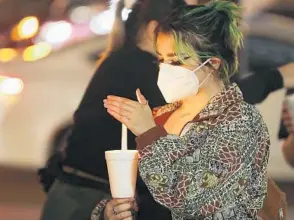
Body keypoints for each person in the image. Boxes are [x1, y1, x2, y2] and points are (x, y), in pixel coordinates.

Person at [102, 1, 271, 219]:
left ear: (213, 63)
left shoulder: (241, 122)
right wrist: (115, 211)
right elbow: (145, 193)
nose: (165, 69)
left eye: (176, 61)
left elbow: (192, 200)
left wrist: (148, 134)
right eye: (161, 59)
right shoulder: (161, 114)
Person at [41, 0, 185, 219]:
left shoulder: (122, 60)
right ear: (154, 29)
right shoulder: (141, 69)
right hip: (86, 203)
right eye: (180, 31)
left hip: (74, 194)